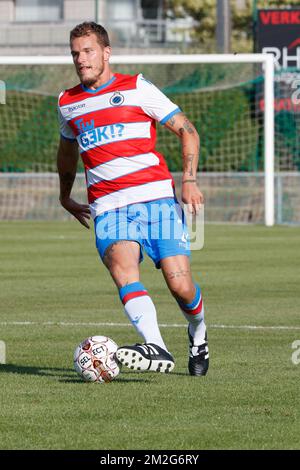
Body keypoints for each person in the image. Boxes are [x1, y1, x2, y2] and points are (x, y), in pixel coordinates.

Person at [57, 22, 209, 376]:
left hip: (156, 198)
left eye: (88, 51)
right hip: (108, 205)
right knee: (123, 272)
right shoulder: (67, 103)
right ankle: (157, 346)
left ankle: (198, 330)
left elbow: (187, 130)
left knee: (180, 285)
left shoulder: (137, 87)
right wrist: (65, 195)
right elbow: (66, 154)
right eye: (75, 53)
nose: (81, 59)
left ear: (106, 52)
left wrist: (188, 179)